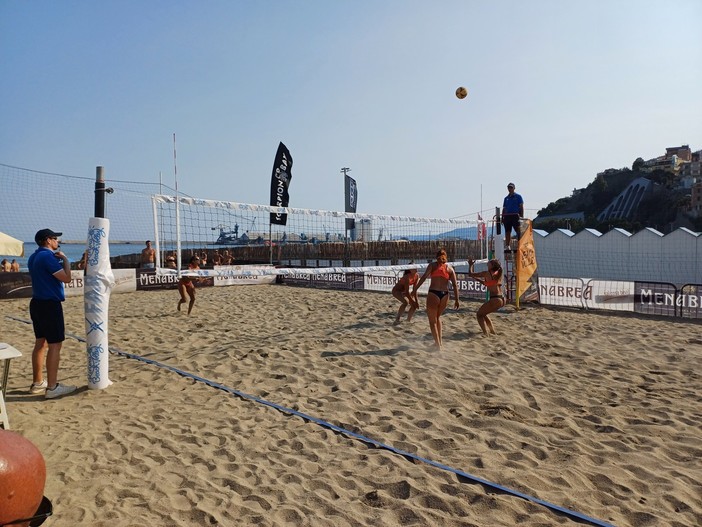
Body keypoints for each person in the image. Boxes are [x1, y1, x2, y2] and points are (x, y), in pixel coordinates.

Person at [27, 228, 77, 399]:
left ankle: (37, 382)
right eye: (55, 239)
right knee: (55, 345)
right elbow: (66, 278)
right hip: (49, 304)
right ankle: (52, 387)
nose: (57, 242)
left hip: (37, 303)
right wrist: (65, 260)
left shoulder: (33, 256)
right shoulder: (47, 256)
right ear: (48, 240)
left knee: (40, 343)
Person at [413, 248, 459, 349]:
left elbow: (424, 277)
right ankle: (439, 342)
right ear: (445, 257)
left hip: (434, 293)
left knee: (432, 321)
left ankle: (437, 345)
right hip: (445, 295)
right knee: (438, 318)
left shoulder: (432, 265)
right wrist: (457, 300)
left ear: (436, 257)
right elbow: (455, 285)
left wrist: (415, 289)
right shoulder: (450, 269)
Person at [467, 258, 506, 336]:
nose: (487, 263)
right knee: (484, 314)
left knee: (479, 315)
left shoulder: (487, 273)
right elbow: (487, 284)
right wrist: (478, 279)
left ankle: (485, 333)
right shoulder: (498, 273)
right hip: (502, 299)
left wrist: (470, 265)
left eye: (489, 262)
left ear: (492, 265)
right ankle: (492, 331)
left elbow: (470, 274)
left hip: (495, 299)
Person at [502, 182, 524, 249]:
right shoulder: (506, 198)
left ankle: (520, 244)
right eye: (509, 187)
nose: (510, 189)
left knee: (518, 231)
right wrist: (502, 217)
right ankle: (507, 245)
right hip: (507, 216)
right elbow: (504, 208)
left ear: (514, 188)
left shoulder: (518, 196)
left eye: (511, 187)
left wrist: (521, 216)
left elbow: (521, 207)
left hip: (515, 216)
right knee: (507, 231)